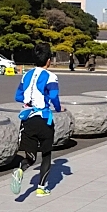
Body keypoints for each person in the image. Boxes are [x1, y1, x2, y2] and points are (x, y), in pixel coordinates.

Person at [11, 43, 63, 197]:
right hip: (44, 119)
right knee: (46, 154)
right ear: (48, 60)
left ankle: (21, 170)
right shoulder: (51, 76)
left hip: (27, 119)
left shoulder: (26, 75)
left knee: (30, 156)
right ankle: (41, 188)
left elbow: (18, 96)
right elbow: (53, 96)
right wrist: (59, 108)